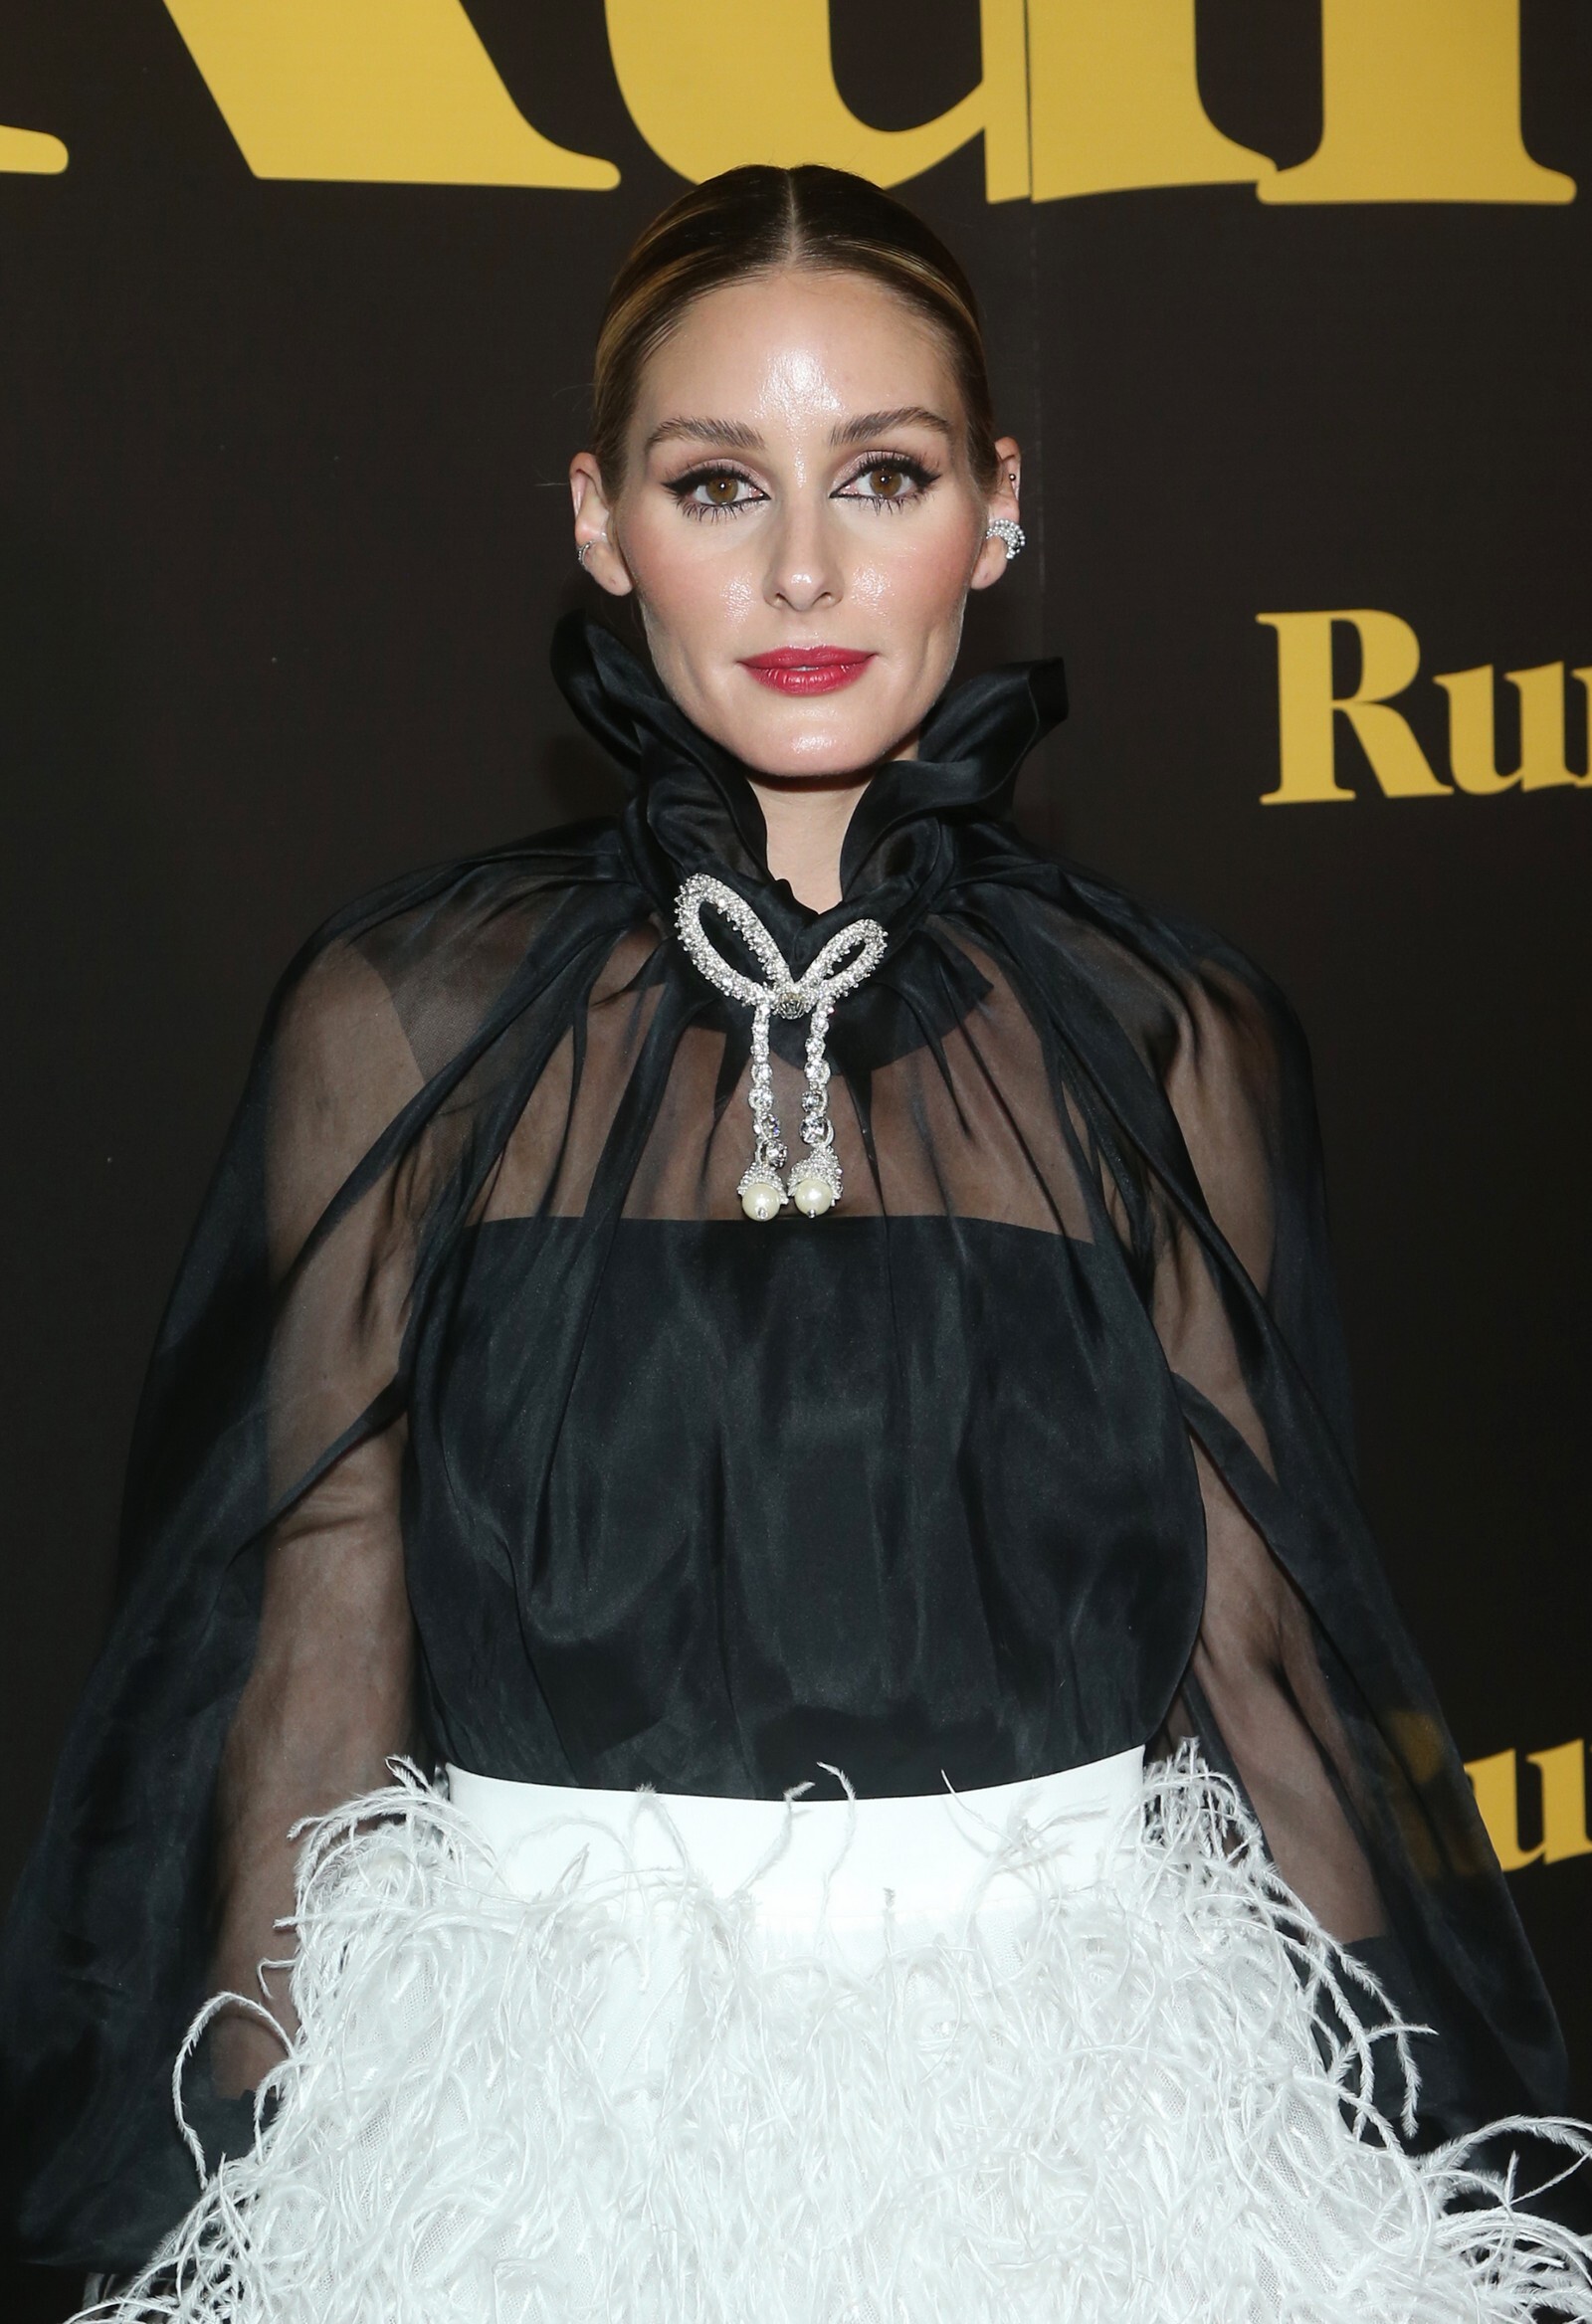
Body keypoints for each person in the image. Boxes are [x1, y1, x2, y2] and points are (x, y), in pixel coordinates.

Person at [2, 163, 1588, 2324]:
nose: (806, 568)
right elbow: (314, 1648)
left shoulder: (1164, 1032)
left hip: (1095, 2137)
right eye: (718, 483)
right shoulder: (404, 1021)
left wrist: (1412, 2161)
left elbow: (1263, 1657)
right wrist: (260, 2196)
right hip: (531, 2155)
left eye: (885, 475)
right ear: (600, 522)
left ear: (996, 510)